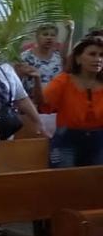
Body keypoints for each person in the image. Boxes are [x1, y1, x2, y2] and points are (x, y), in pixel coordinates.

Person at [35, 36, 103, 167]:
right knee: (64, 181)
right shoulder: (63, 81)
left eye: (101, 55)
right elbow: (43, 105)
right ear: (78, 59)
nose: (98, 59)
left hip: (99, 139)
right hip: (68, 138)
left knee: (97, 183)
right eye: (92, 54)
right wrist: (37, 80)